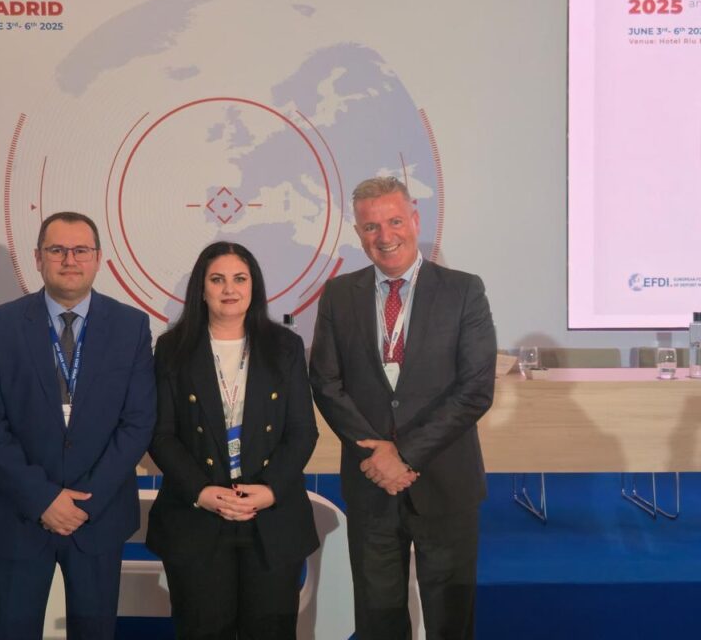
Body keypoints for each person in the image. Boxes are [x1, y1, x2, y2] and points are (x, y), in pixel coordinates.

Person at [309, 177, 495, 640]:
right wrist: (378, 457)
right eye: (371, 226)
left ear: (415, 220)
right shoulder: (339, 294)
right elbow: (326, 384)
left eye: (394, 221)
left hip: (445, 483)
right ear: (358, 233)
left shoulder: (464, 291)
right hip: (371, 483)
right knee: (377, 620)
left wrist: (405, 455)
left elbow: (475, 389)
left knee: (450, 623)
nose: (385, 236)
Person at [0, 211, 155, 640]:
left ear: (98, 258)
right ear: (37, 258)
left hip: (97, 517)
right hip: (21, 515)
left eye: (80, 250)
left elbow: (138, 422)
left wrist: (85, 502)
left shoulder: (131, 326)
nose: (70, 260)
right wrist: (43, 498)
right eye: (57, 250)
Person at [147, 241, 319, 639]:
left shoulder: (285, 347)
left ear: (254, 286)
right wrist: (201, 491)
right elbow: (162, 434)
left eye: (240, 279)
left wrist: (270, 490)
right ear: (201, 288)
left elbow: (302, 431)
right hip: (198, 518)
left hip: (271, 520)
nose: (229, 289)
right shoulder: (172, 349)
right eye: (217, 279)